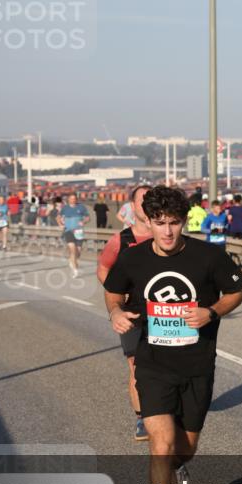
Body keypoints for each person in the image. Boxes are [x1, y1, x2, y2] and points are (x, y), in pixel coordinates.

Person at [103, 185, 242, 484]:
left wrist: (211, 312)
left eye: (175, 223)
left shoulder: (209, 256)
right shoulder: (133, 259)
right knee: (161, 447)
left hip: (198, 365)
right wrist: (116, 313)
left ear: (184, 222)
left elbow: (235, 293)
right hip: (153, 365)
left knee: (185, 449)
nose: (167, 232)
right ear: (147, 222)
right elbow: (113, 291)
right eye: (160, 223)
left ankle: (180, 467)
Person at [97, 185, 153, 442]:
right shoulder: (121, 240)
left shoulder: (166, 234)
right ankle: (143, 417)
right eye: (143, 200)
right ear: (132, 206)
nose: (148, 204)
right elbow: (103, 269)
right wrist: (117, 296)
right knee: (136, 365)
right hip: (132, 312)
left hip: (163, 310)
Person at [58, 192, 90, 279]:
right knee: (72, 250)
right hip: (68, 231)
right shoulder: (65, 208)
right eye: (71, 199)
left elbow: (87, 217)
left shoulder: (81, 207)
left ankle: (71, 260)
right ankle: (75, 271)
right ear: (68, 199)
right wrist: (60, 224)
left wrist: (83, 222)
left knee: (78, 253)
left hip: (79, 231)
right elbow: (58, 217)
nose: (73, 200)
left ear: (77, 199)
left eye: (74, 199)